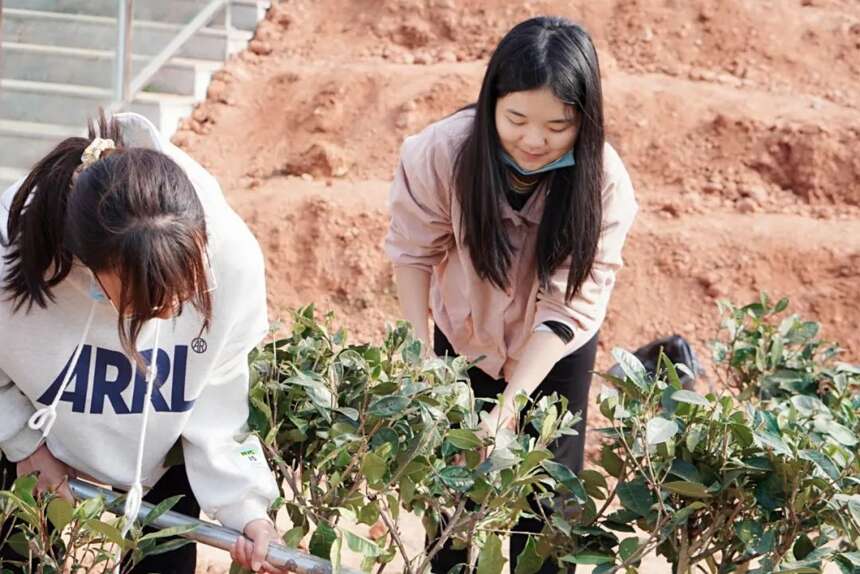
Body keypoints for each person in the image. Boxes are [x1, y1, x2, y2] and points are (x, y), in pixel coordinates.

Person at [385, 16, 638, 572]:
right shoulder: (442, 152)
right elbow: (411, 253)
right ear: (492, 101)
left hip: (554, 349)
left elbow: (571, 305)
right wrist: (422, 359)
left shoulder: (604, 183)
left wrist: (510, 406)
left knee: (548, 503)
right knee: (450, 498)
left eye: (558, 125)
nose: (533, 140)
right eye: (517, 118)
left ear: (584, 120)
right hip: (464, 334)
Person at [0, 111, 280, 573]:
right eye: (146, 302)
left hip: (160, 456)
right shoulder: (11, 253)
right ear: (86, 266)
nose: (171, 311)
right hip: (35, 440)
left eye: (183, 292)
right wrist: (23, 442)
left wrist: (247, 509)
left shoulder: (232, 259)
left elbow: (220, 401)